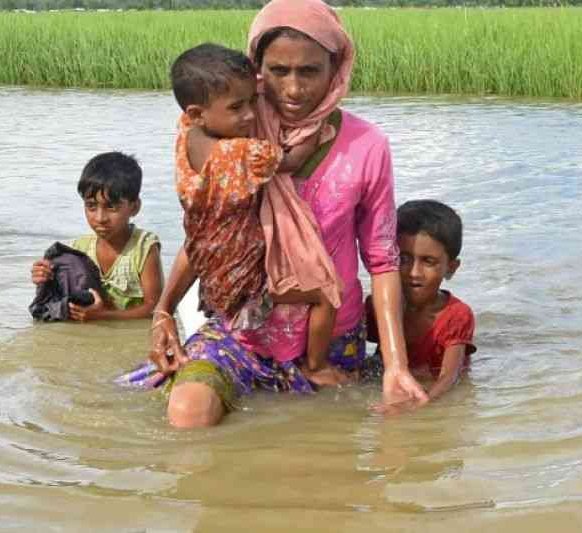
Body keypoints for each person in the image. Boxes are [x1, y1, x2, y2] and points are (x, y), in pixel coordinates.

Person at [131, 0, 428, 428]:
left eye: (309, 71)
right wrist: (163, 311)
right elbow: (210, 234)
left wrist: (396, 365)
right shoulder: (229, 132)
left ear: (336, 70)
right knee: (189, 412)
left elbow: (382, 261)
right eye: (278, 71)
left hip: (326, 342)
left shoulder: (367, 145)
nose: (293, 89)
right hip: (239, 331)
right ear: (256, 69)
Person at [167, 42, 343, 384]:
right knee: (325, 294)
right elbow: (291, 161)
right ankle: (317, 367)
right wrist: (321, 131)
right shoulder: (243, 154)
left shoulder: (186, 137)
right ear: (197, 113)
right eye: (237, 107)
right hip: (244, 281)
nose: (250, 115)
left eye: (253, 101)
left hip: (211, 274)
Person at [30, 152, 163, 321]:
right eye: (91, 206)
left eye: (111, 207)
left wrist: (104, 316)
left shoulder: (143, 247)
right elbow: (56, 299)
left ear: (134, 207)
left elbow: (155, 308)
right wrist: (43, 278)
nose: (100, 218)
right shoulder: (78, 250)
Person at [367, 200, 476, 404]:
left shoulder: (456, 315)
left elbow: (449, 378)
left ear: (451, 267)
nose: (413, 273)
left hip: (431, 389)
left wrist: (419, 405)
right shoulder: (377, 307)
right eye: (404, 259)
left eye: (428, 262)